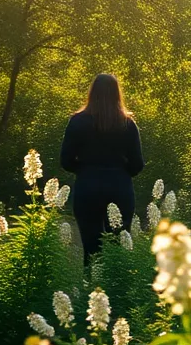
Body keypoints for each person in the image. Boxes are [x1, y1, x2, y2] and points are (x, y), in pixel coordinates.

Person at [60, 73, 144, 259]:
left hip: (87, 188)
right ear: (117, 94)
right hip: (120, 188)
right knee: (119, 250)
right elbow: (138, 164)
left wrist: (84, 169)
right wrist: (120, 172)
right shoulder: (127, 124)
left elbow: (65, 161)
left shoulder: (77, 121)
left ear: (92, 93)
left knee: (91, 251)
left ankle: (91, 286)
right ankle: (118, 288)